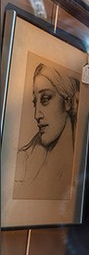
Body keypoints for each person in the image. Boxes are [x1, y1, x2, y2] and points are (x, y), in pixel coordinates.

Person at [14, 63, 79, 201]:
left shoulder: (81, 163)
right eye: (34, 103)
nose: (37, 115)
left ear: (67, 102)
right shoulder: (24, 161)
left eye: (45, 99)